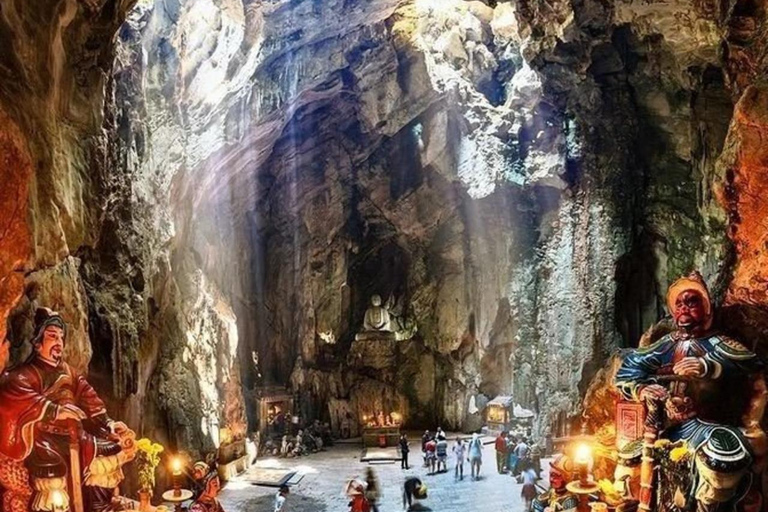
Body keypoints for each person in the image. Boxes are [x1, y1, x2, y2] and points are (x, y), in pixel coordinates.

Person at [615, 271, 765, 512]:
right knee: (626, 459)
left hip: (709, 424)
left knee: (722, 460)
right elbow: (627, 370)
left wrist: (708, 366)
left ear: (706, 308)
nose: (684, 307)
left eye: (692, 301)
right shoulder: (666, 344)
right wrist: (642, 388)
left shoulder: (719, 343)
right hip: (667, 426)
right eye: (679, 303)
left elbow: (751, 363)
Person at [0, 308, 136, 512]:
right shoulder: (27, 373)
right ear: (38, 343)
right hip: (44, 437)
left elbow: (90, 398)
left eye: (61, 338)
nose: (58, 343)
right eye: (52, 337)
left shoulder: (69, 372)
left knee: (109, 448)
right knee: (52, 470)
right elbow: (14, 391)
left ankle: (98, 506)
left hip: (76, 436)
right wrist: (54, 410)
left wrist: (109, 423)